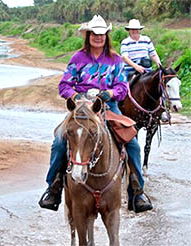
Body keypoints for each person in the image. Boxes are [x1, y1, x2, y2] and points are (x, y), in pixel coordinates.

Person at [38, 15, 153, 213]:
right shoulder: (78, 58)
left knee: (132, 142)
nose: (98, 37)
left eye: (102, 34)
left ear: (106, 36)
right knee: (59, 141)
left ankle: (137, 191)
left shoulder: (116, 60)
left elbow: (122, 87)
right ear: (88, 35)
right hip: (81, 108)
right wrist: (77, 97)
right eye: (94, 34)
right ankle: (53, 188)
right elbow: (64, 85)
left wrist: (109, 93)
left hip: (108, 107)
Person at [121, 19, 168, 122]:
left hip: (146, 70)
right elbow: (125, 57)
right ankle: (121, 108)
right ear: (129, 30)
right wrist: (136, 66)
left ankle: (163, 110)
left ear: (139, 30)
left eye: (136, 29)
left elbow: (153, 53)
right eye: (132, 30)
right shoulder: (126, 42)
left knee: (159, 85)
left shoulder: (146, 39)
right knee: (124, 87)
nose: (134, 31)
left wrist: (160, 65)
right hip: (130, 70)